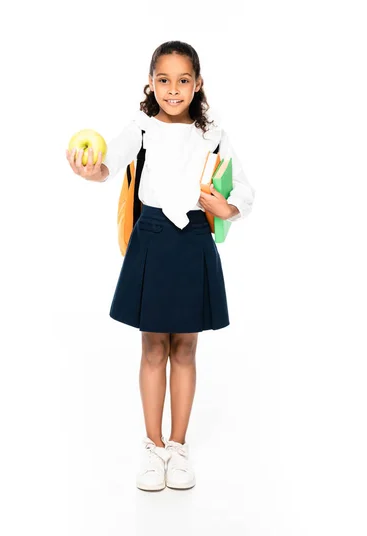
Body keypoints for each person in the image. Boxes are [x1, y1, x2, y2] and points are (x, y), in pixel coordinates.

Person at [66, 40, 255, 491]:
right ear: (151, 83)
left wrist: (225, 208)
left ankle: (178, 446)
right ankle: (152, 448)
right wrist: (87, 168)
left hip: (193, 238)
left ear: (198, 84)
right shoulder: (142, 127)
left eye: (183, 80)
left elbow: (245, 191)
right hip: (150, 238)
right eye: (164, 80)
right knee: (153, 348)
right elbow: (108, 162)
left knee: (185, 348)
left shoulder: (214, 134)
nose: (173, 89)